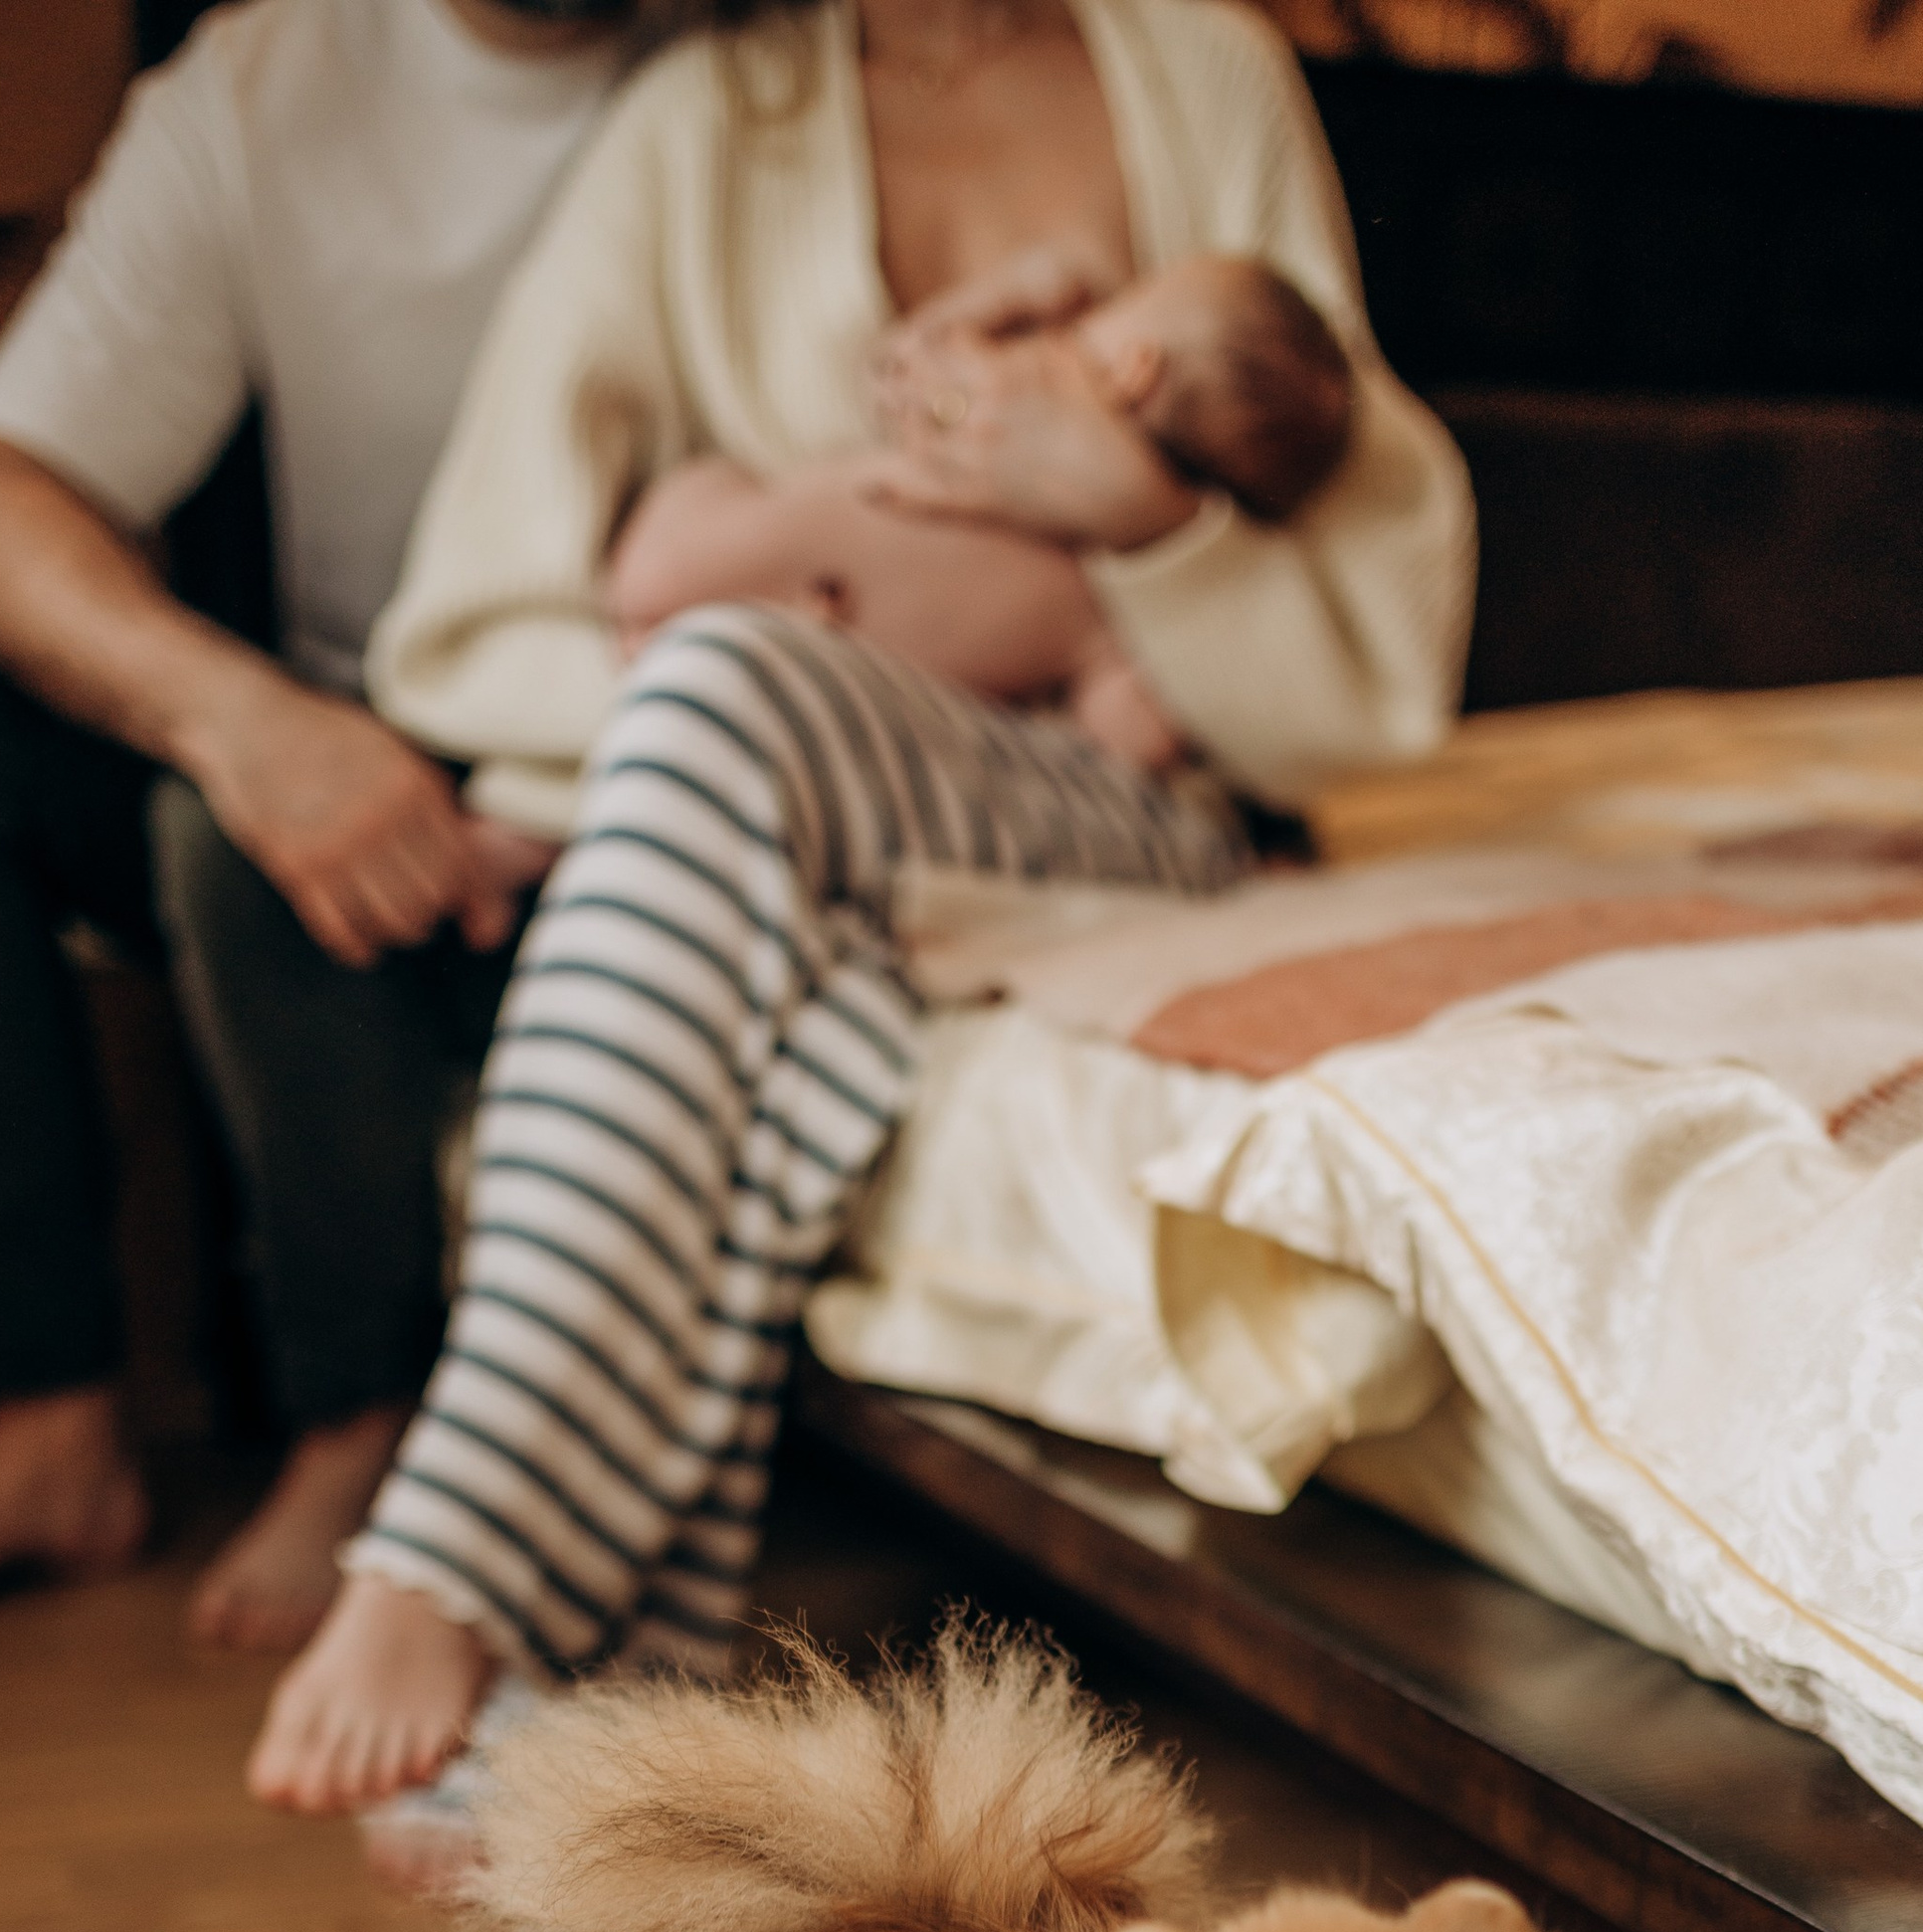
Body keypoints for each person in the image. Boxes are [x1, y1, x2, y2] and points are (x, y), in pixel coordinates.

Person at [248, 0, 1474, 1813]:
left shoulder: (1204, 67)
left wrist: (1145, 528)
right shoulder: (695, 127)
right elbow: (476, 617)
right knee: (766, 852)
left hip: (1130, 789)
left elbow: (1362, 564)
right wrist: (786, 693)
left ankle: (466, 1533)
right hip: (818, 779)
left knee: (730, 700)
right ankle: (600, 1661)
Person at [0, 0, 649, 1655]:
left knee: (235, 847)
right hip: (357, 722)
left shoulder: (774, 69)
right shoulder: (268, 77)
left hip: (638, 753)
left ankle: (369, 1428)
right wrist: (255, 725)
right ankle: (49, 1409)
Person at [599, 246, 1357, 769]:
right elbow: (1128, 739)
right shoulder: (1115, 610)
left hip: (709, 537)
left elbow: (907, 359)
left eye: (1130, 301)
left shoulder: (1033, 374)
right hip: (782, 652)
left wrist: (1014, 293)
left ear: (1136, 370)